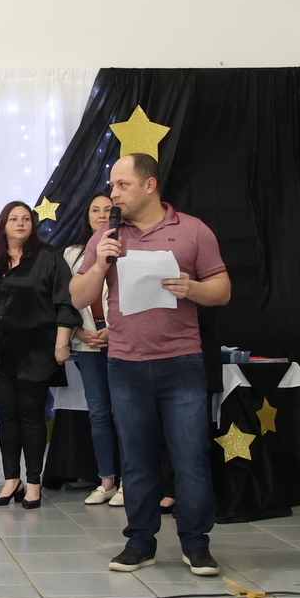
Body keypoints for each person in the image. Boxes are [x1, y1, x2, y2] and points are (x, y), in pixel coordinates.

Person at [70, 153, 230, 576]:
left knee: (191, 457)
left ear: (149, 185)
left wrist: (192, 288)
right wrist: (101, 263)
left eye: (121, 185)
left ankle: (196, 544)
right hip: (126, 364)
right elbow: (77, 297)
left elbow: (222, 289)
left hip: (181, 363)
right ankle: (140, 543)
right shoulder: (106, 236)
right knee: (136, 459)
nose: (113, 194)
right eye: (112, 185)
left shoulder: (193, 230)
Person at [0, 202, 80, 509]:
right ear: (3, 225)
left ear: (33, 224)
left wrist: (61, 344)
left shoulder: (48, 257)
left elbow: (66, 301)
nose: (20, 223)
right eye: (13, 219)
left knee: (31, 416)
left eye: (26, 218)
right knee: (7, 416)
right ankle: (11, 480)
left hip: (36, 351)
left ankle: (33, 483)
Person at [63, 193, 123, 506]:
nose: (101, 215)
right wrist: (78, 332)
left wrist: (116, 330)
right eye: (95, 210)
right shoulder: (72, 253)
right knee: (99, 413)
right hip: (87, 344)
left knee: (125, 411)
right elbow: (65, 300)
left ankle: (129, 482)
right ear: (86, 216)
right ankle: (106, 480)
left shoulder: (125, 246)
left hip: (122, 341)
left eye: (107, 210)